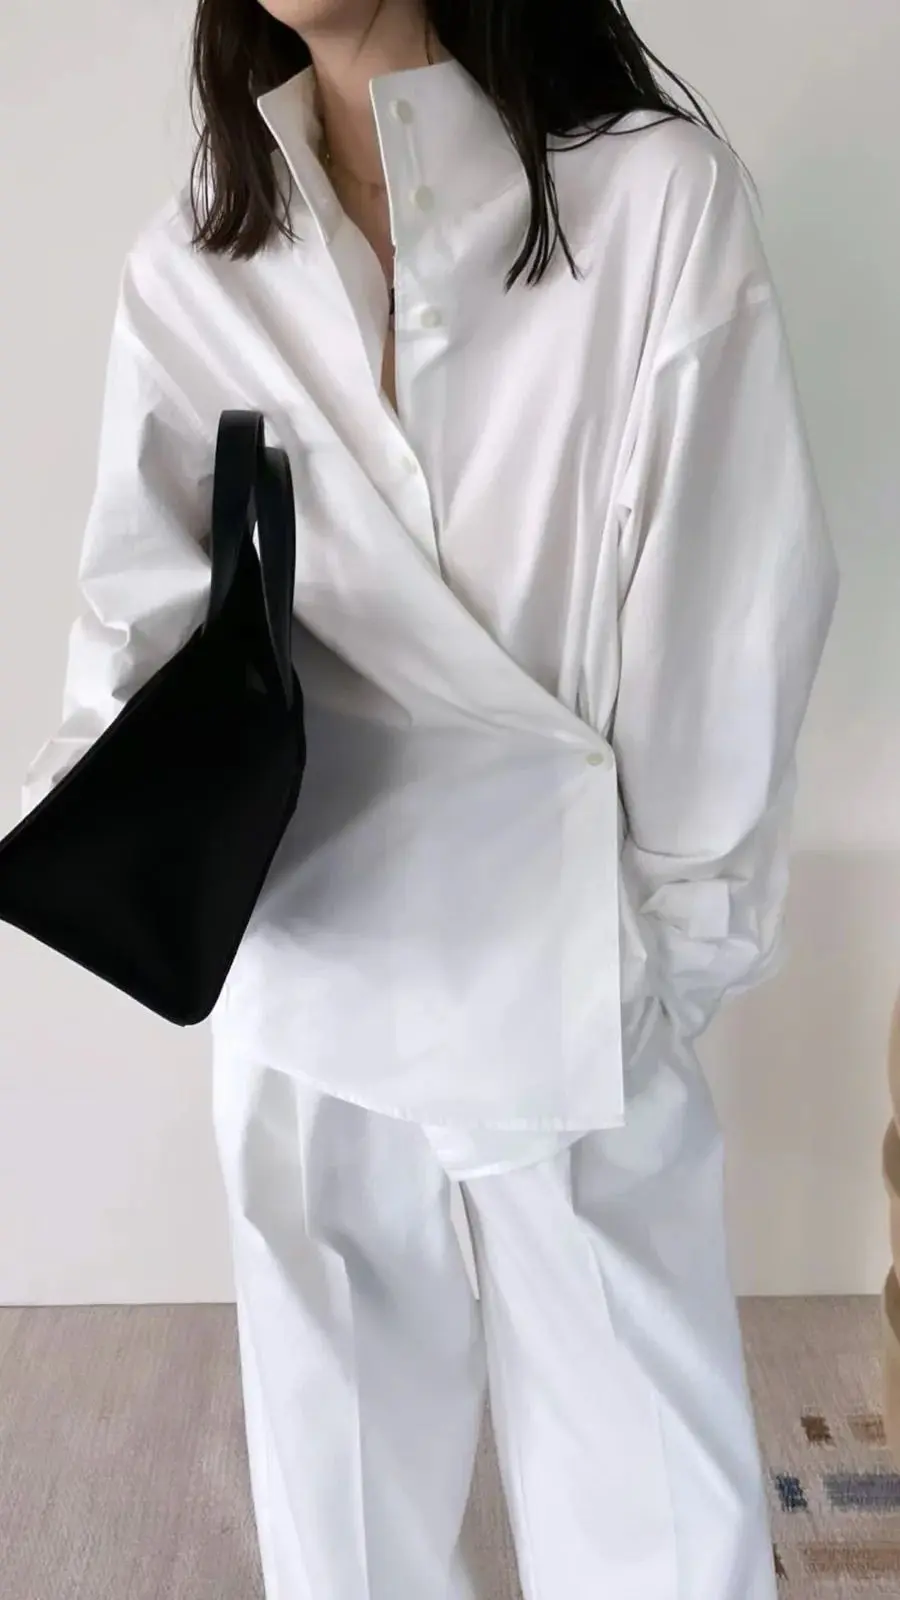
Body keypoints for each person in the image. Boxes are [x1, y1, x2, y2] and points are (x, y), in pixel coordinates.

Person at [21, 2, 839, 1596]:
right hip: (307, 952)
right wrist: (97, 857)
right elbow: (139, 624)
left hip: (569, 959)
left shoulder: (651, 200)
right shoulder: (201, 257)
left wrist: (665, 955)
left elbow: (731, 601)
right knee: (344, 1530)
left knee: (660, 1521)